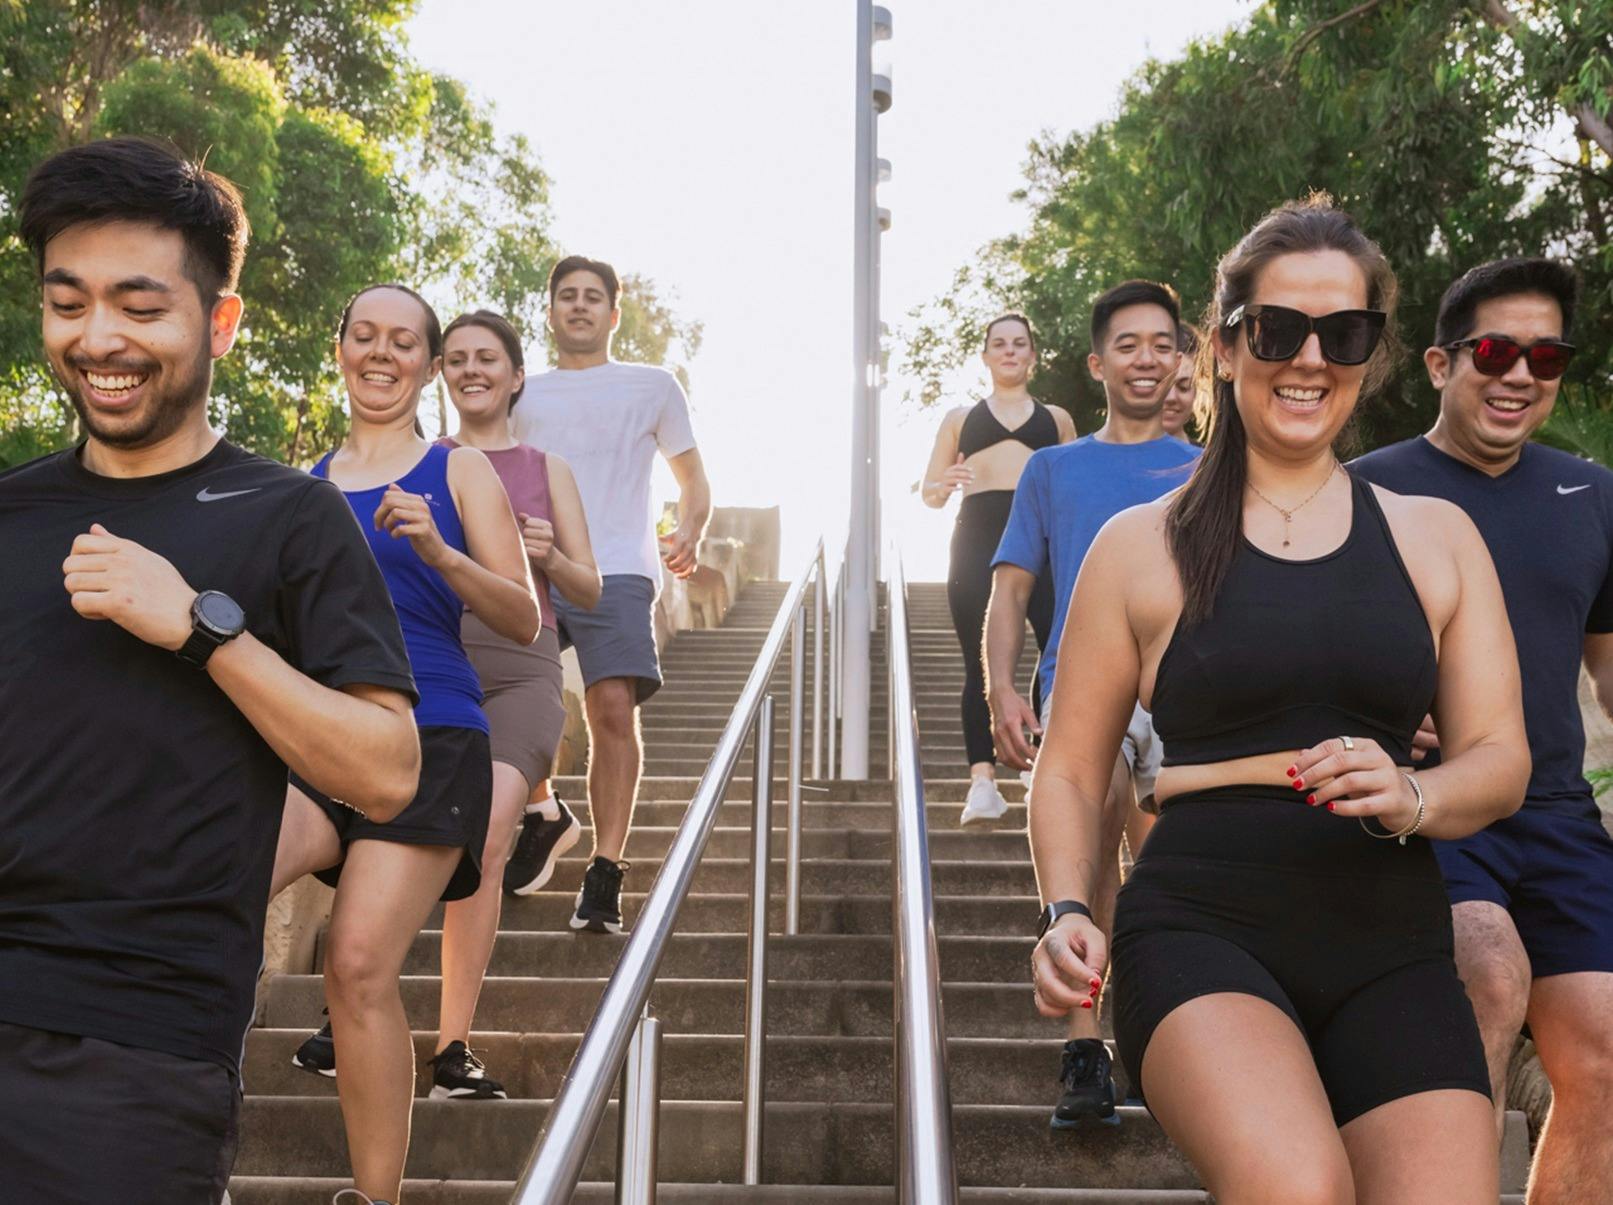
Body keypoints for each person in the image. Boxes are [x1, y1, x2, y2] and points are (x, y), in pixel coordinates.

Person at [1028, 195, 1531, 1202]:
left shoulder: (1436, 537)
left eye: (1341, 333)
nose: (1309, 358)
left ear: (1372, 352)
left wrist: (1415, 795)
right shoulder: (1139, 544)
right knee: (1297, 1185)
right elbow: (1072, 768)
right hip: (1200, 916)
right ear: (1222, 346)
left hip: (1387, 930)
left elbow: (1498, 757)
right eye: (1277, 329)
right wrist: (1066, 908)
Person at [0, 137, 421, 1205]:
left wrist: (201, 629)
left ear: (218, 321)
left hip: (134, 1054)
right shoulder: (8, 509)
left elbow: (385, 771)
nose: (99, 337)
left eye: (141, 306)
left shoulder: (292, 516)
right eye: (69, 302)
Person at [272, 283, 541, 1205]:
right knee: (198, 885)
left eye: (403, 342)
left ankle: (374, 1197)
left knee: (354, 962)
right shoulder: (299, 486)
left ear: (428, 365)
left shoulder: (456, 469)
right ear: (340, 347)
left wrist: (440, 551)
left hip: (432, 738)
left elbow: (521, 611)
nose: (381, 354)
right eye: (364, 336)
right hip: (317, 741)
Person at [1354, 257, 1613, 1204]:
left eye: (1545, 357)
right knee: (1487, 975)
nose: (1518, 374)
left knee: (1606, 1045)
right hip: (1425, 809)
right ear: (1437, 362)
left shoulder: (1593, 497)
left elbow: (1605, 664)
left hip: (1553, 809)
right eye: (1495, 350)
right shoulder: (1362, 491)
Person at [985, 280, 1198, 1128]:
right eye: (1126, 344)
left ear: (1180, 358)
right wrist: (1000, 685)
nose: (1144, 358)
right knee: (1096, 817)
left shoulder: (1213, 469)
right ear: (1095, 362)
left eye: (1160, 343)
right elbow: (1008, 592)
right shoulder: (1053, 468)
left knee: (1166, 876)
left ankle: (1161, 1035)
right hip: (1082, 685)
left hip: (1187, 694)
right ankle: (1084, 1046)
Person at [511, 255, 711, 934]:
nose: (578, 305)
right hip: (530, 563)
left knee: (612, 707)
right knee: (512, 702)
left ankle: (604, 868)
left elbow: (692, 478)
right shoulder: (521, 392)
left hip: (620, 564)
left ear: (612, 313)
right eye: (566, 296)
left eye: (592, 296)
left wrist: (687, 529)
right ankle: (542, 807)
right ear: (550, 312)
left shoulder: (651, 385)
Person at [431, 308, 602, 1100]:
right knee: (404, 836)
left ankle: (450, 1047)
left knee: (489, 831)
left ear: (514, 374)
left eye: (487, 358)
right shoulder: (420, 460)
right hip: (435, 663)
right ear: (441, 372)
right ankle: (352, 1005)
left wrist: (550, 555)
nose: (472, 369)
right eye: (457, 357)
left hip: (526, 665)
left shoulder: (545, 466)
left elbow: (589, 586)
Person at [920, 312, 1074, 823]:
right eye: (999, 344)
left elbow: (1072, 493)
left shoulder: (1057, 419)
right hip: (975, 539)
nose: (1009, 351)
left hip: (1041, 540)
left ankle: (1039, 761)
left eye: (1019, 343)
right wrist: (946, 482)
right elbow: (930, 494)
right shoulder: (960, 418)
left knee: (1056, 650)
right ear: (985, 356)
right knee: (978, 660)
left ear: (1032, 355)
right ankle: (982, 782)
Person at [1160, 323, 1205, 441]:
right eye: (1161, 384)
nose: (1171, 397)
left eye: (1184, 387)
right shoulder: (1108, 457)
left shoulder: (1213, 459)